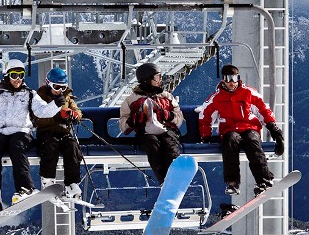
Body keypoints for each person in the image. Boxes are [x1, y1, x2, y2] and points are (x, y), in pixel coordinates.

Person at [0, 59, 63, 212]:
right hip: (0, 131)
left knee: (17, 148)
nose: (18, 79)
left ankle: (24, 188)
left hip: (21, 131)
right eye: (14, 75)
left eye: (21, 75)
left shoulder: (30, 95)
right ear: (6, 75)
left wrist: (56, 105)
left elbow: (42, 111)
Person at [199, 64, 284, 207]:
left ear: (238, 78)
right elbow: (205, 116)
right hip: (230, 130)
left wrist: (273, 128)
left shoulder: (249, 93)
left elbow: (263, 110)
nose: (232, 82)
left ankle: (264, 180)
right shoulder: (217, 97)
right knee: (230, 142)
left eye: (235, 78)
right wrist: (205, 136)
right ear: (223, 80)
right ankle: (232, 182)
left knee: (253, 143)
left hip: (249, 127)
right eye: (228, 79)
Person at [118, 62, 184, 183]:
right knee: (152, 144)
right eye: (158, 77)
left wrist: (169, 116)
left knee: (170, 146)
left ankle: (173, 177)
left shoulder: (166, 96)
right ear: (147, 79)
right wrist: (133, 121)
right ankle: (164, 180)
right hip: (145, 134)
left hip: (166, 130)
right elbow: (123, 125)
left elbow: (179, 118)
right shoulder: (132, 100)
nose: (160, 80)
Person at [34, 67, 83, 198]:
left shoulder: (67, 97)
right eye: (57, 87)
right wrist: (57, 115)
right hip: (46, 132)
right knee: (50, 146)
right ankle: (48, 179)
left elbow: (77, 111)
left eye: (63, 87)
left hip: (63, 132)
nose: (60, 91)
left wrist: (75, 115)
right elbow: (38, 118)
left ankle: (72, 182)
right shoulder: (40, 96)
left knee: (72, 146)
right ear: (48, 83)